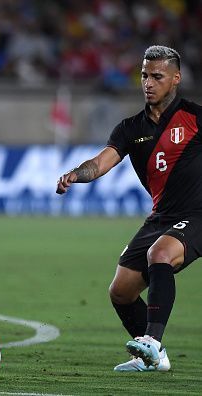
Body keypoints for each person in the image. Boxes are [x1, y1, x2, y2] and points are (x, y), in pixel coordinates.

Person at [56, 45, 200, 372]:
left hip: (198, 214)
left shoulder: (195, 117)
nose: (148, 82)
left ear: (175, 79)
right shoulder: (130, 129)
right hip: (161, 217)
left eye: (157, 76)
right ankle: (154, 359)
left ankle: (152, 341)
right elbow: (100, 162)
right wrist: (76, 175)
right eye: (145, 75)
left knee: (160, 254)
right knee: (121, 291)